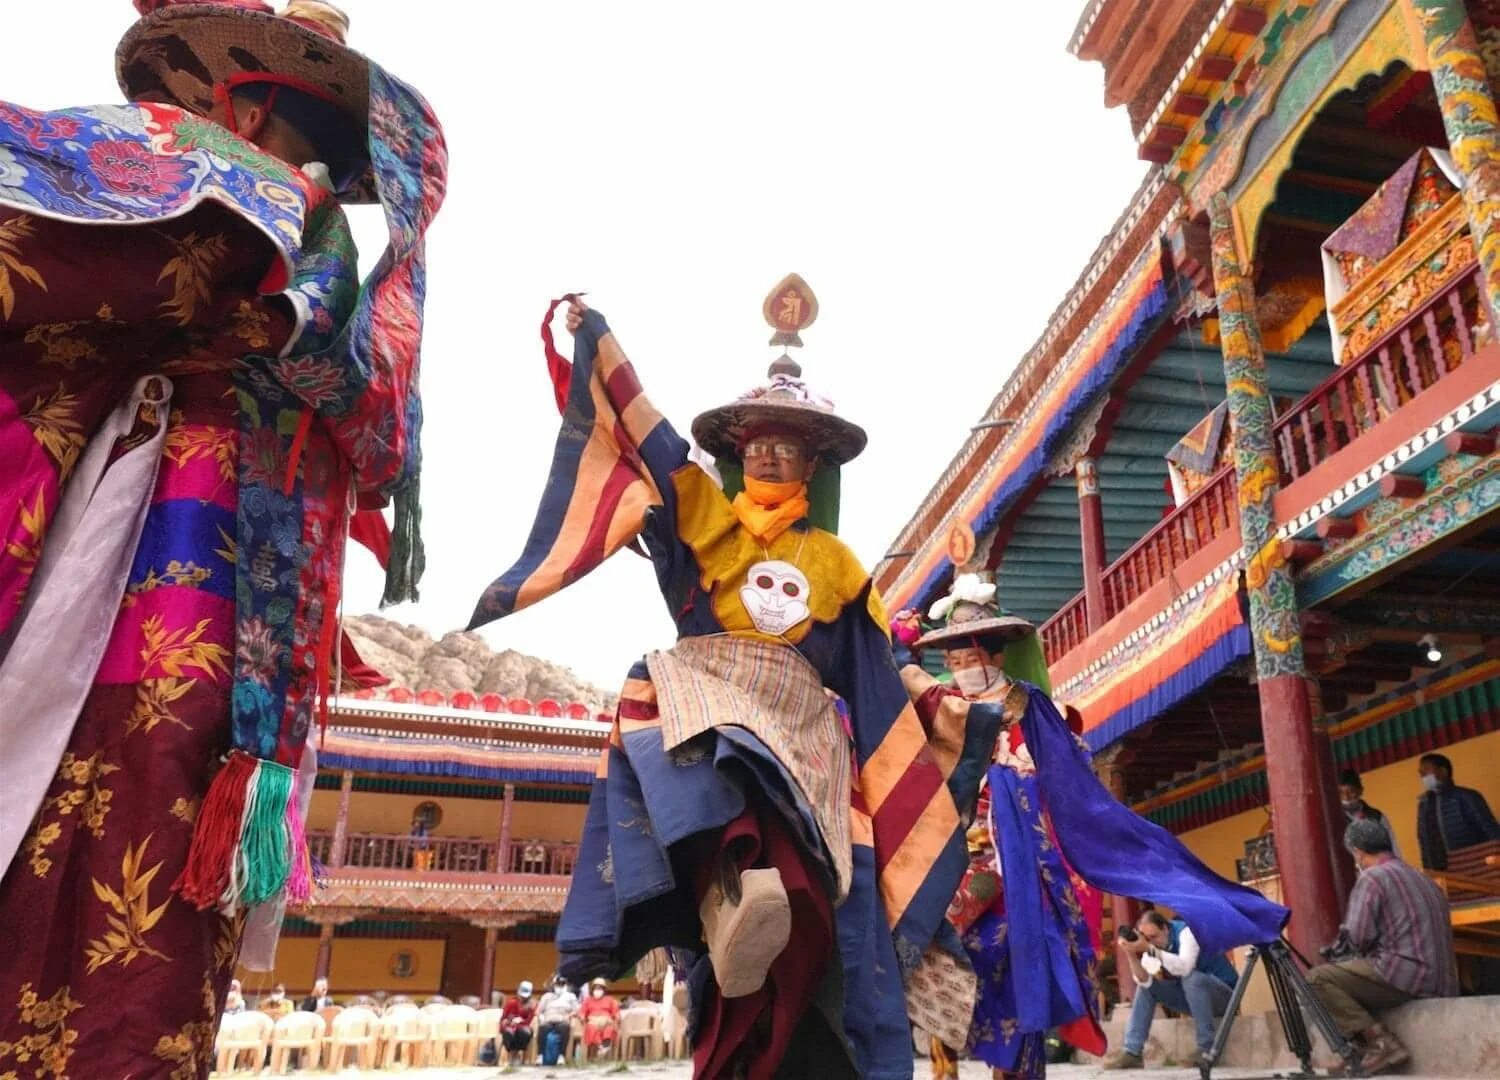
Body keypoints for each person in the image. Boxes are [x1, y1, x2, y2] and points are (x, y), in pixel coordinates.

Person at [0, 2, 446, 1075]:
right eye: (244, 116)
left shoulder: (306, 246)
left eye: (298, 144)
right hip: (113, 514)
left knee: (156, 793)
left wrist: (265, 292)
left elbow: (380, 433)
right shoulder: (178, 184)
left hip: (209, 579)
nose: (264, 151)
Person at [469, 281, 999, 1079]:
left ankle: (795, 980)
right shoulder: (702, 517)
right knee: (676, 738)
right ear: (737, 452)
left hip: (807, 722)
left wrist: (938, 702)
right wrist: (602, 342)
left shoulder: (838, 566)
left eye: (787, 445)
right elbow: (650, 442)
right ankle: (722, 894)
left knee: (830, 884)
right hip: (711, 696)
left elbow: (872, 669)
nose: (768, 453)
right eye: (755, 442)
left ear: (812, 462)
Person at [896, 575, 1287, 1080]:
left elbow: (1067, 779)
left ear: (993, 655)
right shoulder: (942, 705)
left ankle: (1016, 1069)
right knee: (933, 945)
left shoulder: (1030, 706)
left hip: (1019, 862)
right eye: (952, 661)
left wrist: (1018, 786)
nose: (961, 669)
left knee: (1017, 962)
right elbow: (901, 707)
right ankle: (942, 1067)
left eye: (969, 658)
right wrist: (897, 647)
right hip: (952, 844)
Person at [1306, 818, 1459, 1074]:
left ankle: (1380, 1042)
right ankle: (1361, 1050)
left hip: (1406, 976)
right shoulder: (1423, 878)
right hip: (1442, 979)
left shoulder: (1372, 878)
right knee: (1349, 975)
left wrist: (1337, 953)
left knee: (1316, 979)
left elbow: (1358, 937)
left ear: (1357, 851)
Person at [1106, 911, 1238, 1070]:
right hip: (1194, 998)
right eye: (1147, 938)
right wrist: (1131, 954)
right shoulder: (1152, 945)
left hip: (1225, 997)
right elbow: (1143, 980)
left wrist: (1149, 948)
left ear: (1166, 929)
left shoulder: (1186, 933)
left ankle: (1207, 1049)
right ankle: (1132, 1052)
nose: (1151, 942)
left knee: (1192, 978)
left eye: (1154, 937)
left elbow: (1185, 967)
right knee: (1147, 988)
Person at [1416, 753, 1500, 870]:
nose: (1422, 775)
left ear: (1443, 772)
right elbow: (1423, 843)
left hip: (1478, 866)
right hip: (1444, 872)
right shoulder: (1424, 806)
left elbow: (1490, 830)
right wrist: (1430, 872)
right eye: (1420, 772)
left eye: (1426, 770)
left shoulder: (1467, 797)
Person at [1338, 770, 1400, 859]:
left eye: (1351, 791)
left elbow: (1393, 845)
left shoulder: (1377, 817)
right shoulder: (1335, 821)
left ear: (1360, 791)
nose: (1346, 797)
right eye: (1341, 793)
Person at [535, 976, 578, 1066]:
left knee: (564, 1028)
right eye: (557, 985)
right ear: (553, 985)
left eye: (562, 985)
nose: (559, 987)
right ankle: (540, 1056)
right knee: (543, 1028)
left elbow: (576, 1010)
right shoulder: (547, 996)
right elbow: (538, 1010)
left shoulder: (570, 996)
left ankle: (561, 1056)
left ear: (565, 986)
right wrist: (540, 1017)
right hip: (548, 1019)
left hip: (562, 1019)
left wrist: (569, 1015)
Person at [579, 978, 621, 1061]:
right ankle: (601, 1047)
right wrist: (582, 1017)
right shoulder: (587, 1000)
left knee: (610, 1029)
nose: (597, 990)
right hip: (593, 1021)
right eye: (596, 988)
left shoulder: (610, 1000)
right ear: (592, 990)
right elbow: (582, 1012)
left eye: (600, 988)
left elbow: (616, 1012)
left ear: (604, 990)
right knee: (590, 1028)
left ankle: (605, 1046)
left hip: (607, 1021)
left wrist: (617, 1018)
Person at [500, 980, 536, 1064]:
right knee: (508, 1033)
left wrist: (520, 1022)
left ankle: (517, 1054)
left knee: (523, 1032)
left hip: (523, 1028)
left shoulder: (532, 1005)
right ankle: (512, 1054)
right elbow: (503, 1018)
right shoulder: (511, 1003)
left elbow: (530, 1020)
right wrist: (507, 1022)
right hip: (510, 1027)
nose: (523, 998)